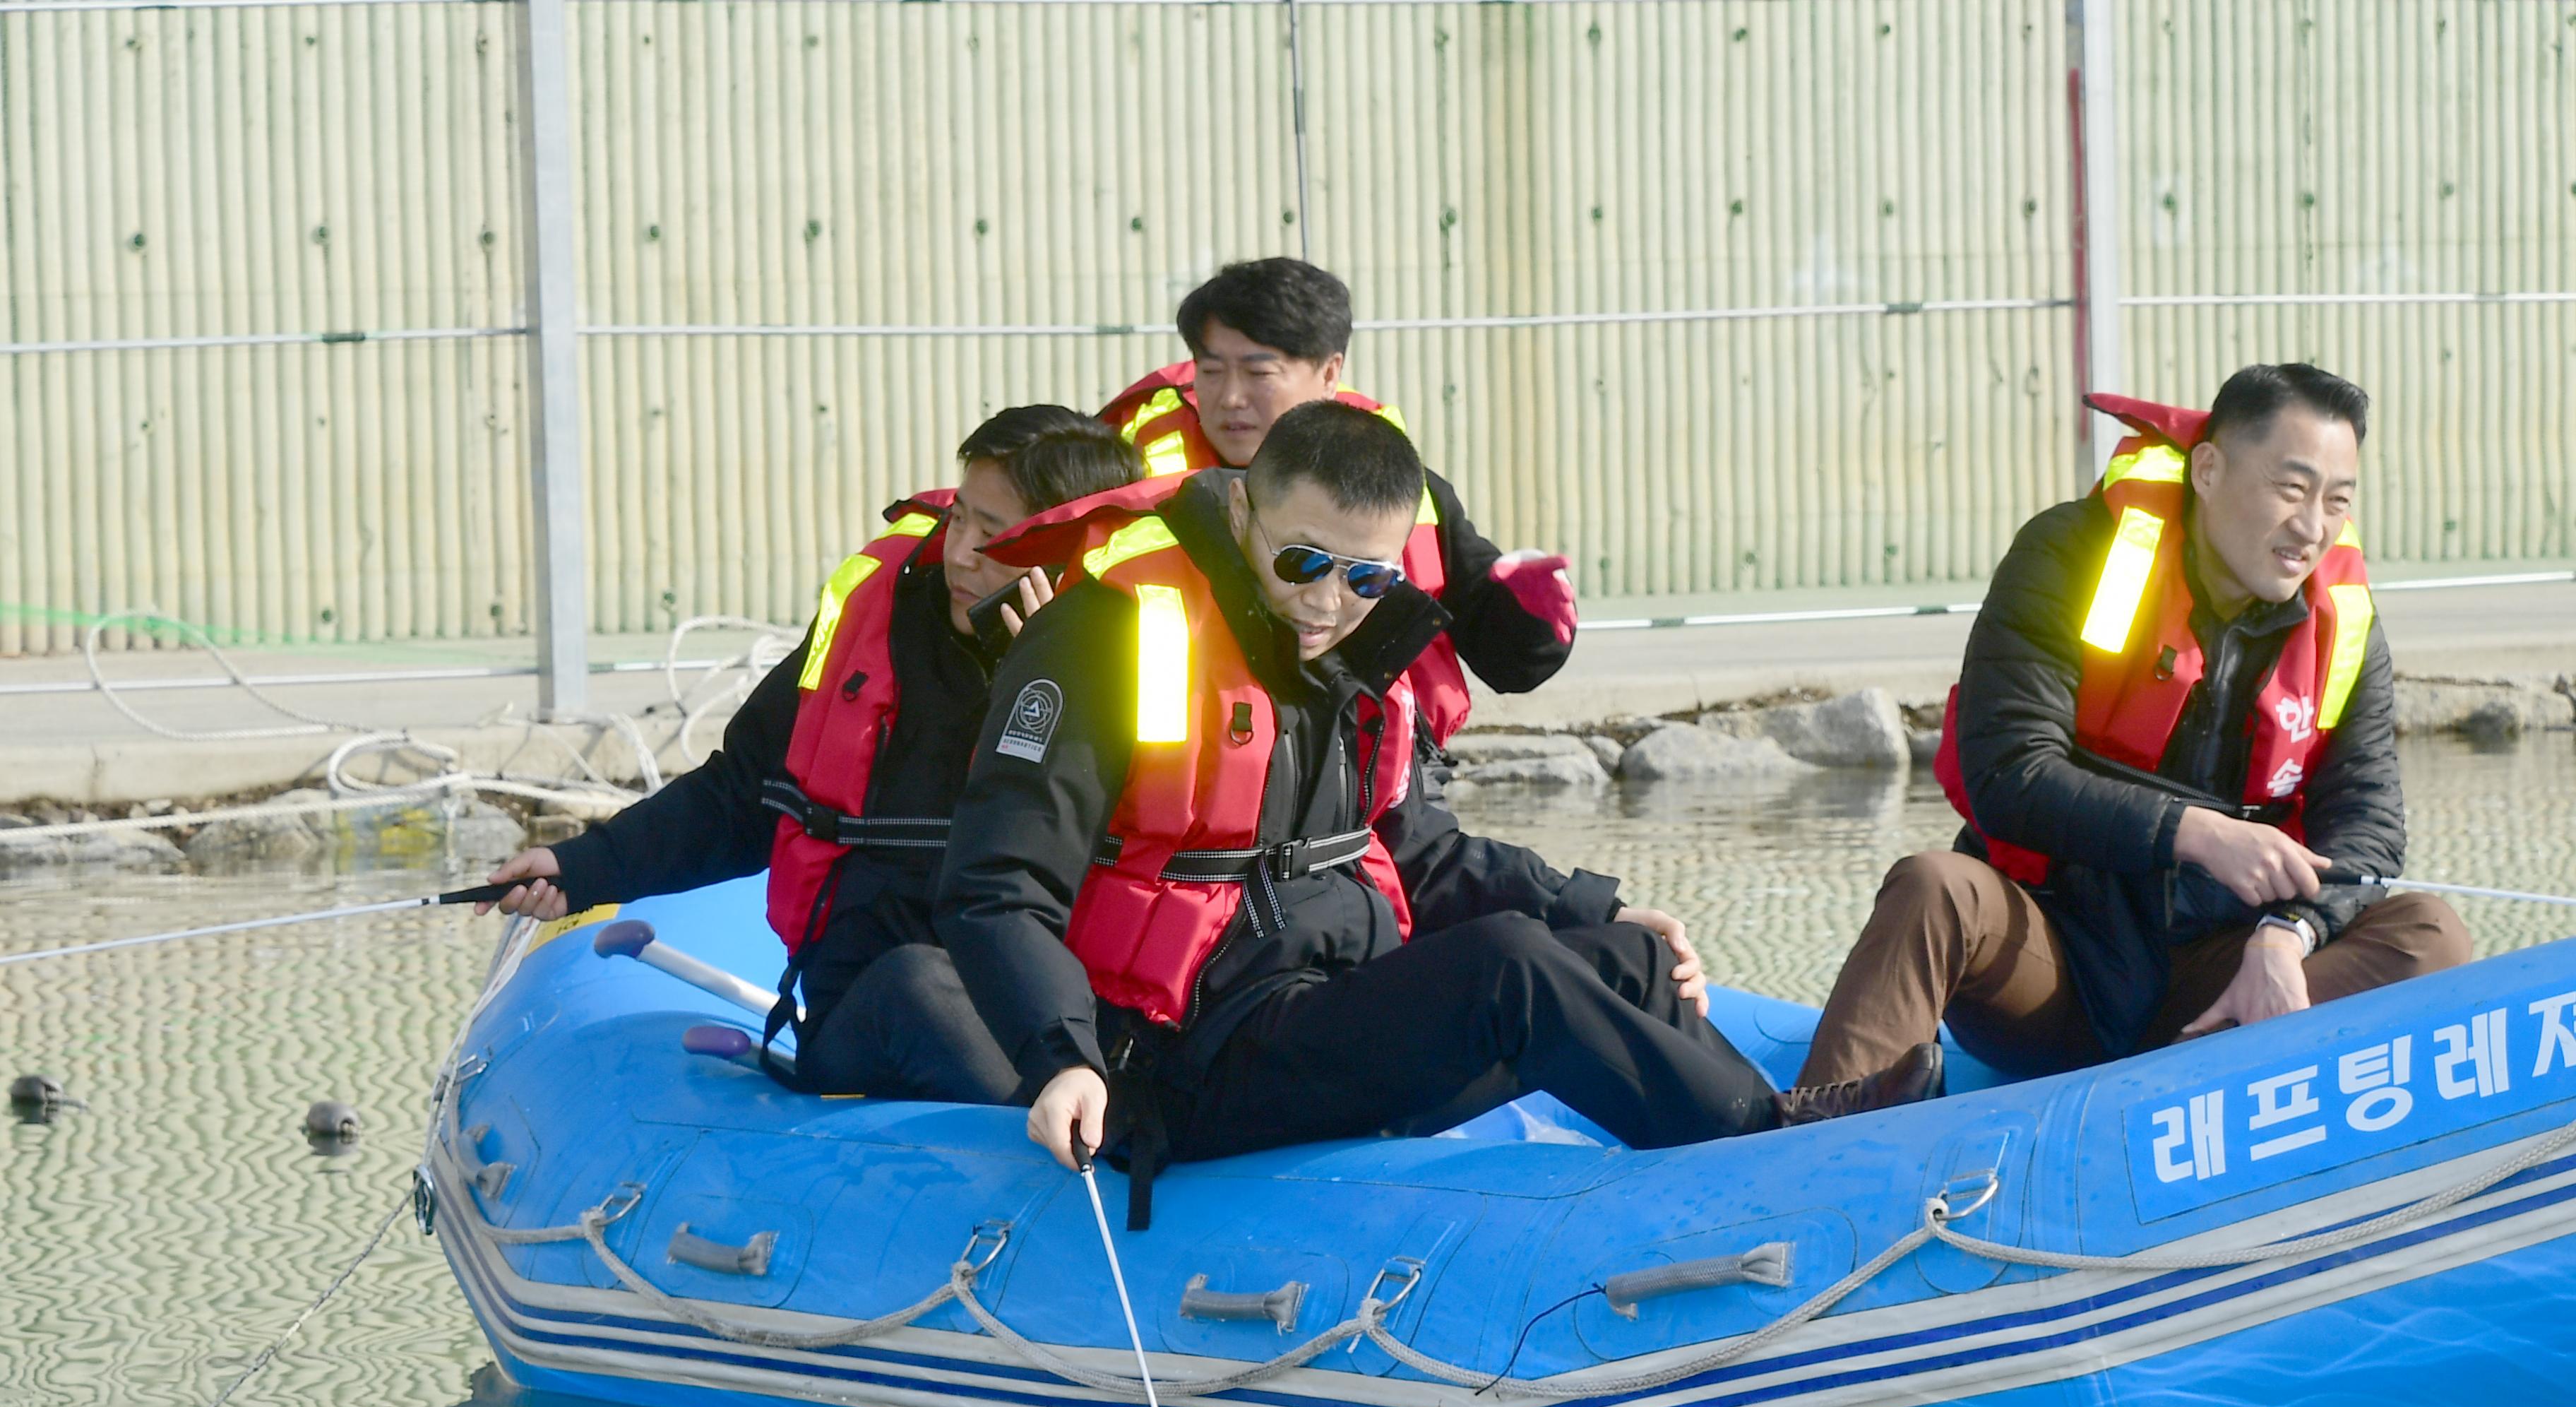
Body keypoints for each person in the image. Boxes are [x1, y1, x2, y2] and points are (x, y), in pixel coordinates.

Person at [936, 400, 1938, 1226]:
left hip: (1326, 999)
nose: (1330, 602)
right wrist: (1061, 1057)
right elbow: (997, 885)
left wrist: (1592, 905)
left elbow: (1411, 846)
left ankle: (1766, 1143)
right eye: (1304, 564)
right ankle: (1778, 1167)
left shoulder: (1354, 650)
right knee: (1506, 967)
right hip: (1180, 1060)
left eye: (1367, 577)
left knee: (1623, 958)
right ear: (1241, 509)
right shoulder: (1108, 636)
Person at [1799, 364, 2471, 1089]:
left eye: (2337, 500)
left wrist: (2290, 932)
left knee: (2431, 934)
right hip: (2051, 973)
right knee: (1935, 886)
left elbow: (2369, 826)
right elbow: (2007, 771)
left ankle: (2217, 1083)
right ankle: (1817, 1144)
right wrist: (2198, 831)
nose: (2312, 527)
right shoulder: (2067, 554)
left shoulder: (2345, 623)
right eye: (2290, 489)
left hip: (2223, 984)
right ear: (2208, 469)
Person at [477, 405, 1147, 1100]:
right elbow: (743, 791)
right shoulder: (885, 618)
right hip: (880, 1000)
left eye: (995, 533)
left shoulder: (1133, 661)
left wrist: (1044, 676)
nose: (960, 552)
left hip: (1055, 1006)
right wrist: (582, 866)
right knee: (918, 985)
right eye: (960, 519)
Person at [1099, 256, 1579, 742]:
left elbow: (1510, 660)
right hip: (1206, 769)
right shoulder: (1127, 484)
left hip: (1383, 775)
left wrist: (1533, 610)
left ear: (1330, 373)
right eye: (1211, 371)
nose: (1230, 398)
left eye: (1259, 373)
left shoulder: (1395, 487)